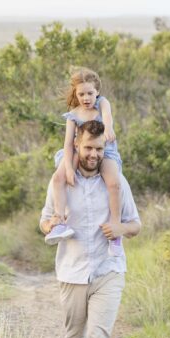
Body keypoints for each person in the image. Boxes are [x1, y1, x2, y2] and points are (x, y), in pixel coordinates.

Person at [39, 119, 141, 338]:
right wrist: (52, 222)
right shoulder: (61, 182)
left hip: (107, 271)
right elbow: (44, 221)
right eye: (88, 148)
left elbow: (135, 223)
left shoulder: (116, 182)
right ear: (76, 147)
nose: (94, 154)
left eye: (99, 149)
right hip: (71, 272)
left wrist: (120, 229)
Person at [45, 68, 123, 257]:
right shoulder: (73, 114)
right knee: (58, 178)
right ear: (76, 94)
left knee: (114, 183)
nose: (86, 98)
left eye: (90, 93)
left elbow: (107, 118)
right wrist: (70, 168)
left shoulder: (102, 104)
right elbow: (68, 143)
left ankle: (116, 230)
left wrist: (108, 128)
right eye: (81, 94)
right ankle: (60, 222)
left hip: (104, 148)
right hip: (78, 149)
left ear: (97, 91)